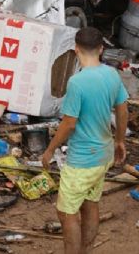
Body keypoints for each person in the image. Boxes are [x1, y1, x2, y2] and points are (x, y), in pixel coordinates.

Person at [40, 27, 128, 254]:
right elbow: (122, 108)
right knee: (90, 204)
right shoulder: (112, 74)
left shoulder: (77, 82)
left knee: (66, 212)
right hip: (103, 154)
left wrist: (50, 150)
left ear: (76, 49)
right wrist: (120, 140)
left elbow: (69, 123)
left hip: (82, 161)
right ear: (101, 49)